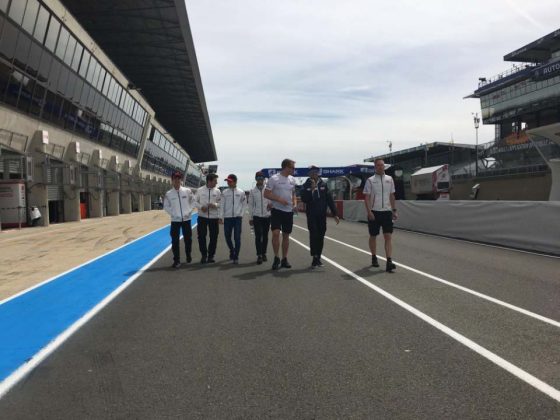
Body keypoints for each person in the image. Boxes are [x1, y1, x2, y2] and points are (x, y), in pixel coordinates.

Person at [300, 165, 340, 268]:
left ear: (318, 173)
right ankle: (314, 257)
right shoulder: (305, 185)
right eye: (312, 172)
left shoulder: (324, 184)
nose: (314, 174)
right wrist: (311, 190)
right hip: (311, 215)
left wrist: (335, 214)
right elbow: (304, 199)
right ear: (309, 174)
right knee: (314, 235)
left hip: (322, 215)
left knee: (321, 235)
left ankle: (318, 256)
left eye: (315, 172)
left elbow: (329, 200)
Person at [362, 158, 398, 272]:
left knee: (388, 236)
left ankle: (389, 261)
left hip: (387, 212)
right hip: (374, 212)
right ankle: (374, 257)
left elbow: (392, 195)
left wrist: (394, 210)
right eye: (378, 165)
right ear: (375, 167)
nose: (381, 167)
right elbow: (367, 198)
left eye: (382, 165)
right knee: (373, 236)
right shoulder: (370, 180)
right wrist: (369, 212)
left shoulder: (390, 179)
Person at [264, 159, 297, 270]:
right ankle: (276, 257)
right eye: (292, 167)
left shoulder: (292, 179)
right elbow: (266, 194)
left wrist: (295, 204)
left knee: (286, 235)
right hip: (276, 210)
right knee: (276, 233)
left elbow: (293, 193)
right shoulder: (274, 178)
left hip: (288, 211)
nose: (294, 169)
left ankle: (284, 259)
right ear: (286, 167)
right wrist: (279, 199)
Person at [164, 171, 195, 268]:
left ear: (181, 180)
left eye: (179, 178)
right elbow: (166, 206)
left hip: (186, 220)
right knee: (175, 241)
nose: (177, 180)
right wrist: (174, 214)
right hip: (175, 221)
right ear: (172, 180)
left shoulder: (187, 191)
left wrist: (189, 211)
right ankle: (176, 260)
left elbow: (193, 201)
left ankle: (188, 255)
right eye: (175, 178)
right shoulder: (169, 194)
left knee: (188, 240)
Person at [220, 174, 246, 264]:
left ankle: (236, 256)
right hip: (227, 218)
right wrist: (220, 217)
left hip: (237, 218)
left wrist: (241, 214)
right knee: (227, 236)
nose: (228, 183)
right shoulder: (224, 192)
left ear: (235, 182)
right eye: (227, 181)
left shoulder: (241, 192)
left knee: (237, 237)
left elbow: (244, 205)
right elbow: (222, 205)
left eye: (230, 181)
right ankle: (232, 250)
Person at [195, 173, 221, 264]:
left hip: (214, 217)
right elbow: (194, 201)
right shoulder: (200, 190)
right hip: (202, 217)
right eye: (215, 181)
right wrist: (201, 207)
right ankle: (204, 255)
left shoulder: (217, 191)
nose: (216, 183)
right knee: (201, 236)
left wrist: (215, 205)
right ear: (209, 181)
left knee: (214, 237)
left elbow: (221, 203)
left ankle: (211, 256)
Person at [248, 171, 272, 264]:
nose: (260, 180)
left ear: (264, 179)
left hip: (267, 216)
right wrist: (250, 218)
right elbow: (250, 205)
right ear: (256, 179)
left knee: (265, 236)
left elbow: (272, 200)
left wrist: (271, 205)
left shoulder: (268, 189)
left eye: (261, 178)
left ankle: (264, 253)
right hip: (257, 216)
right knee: (258, 236)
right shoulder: (252, 191)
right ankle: (259, 255)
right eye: (258, 178)